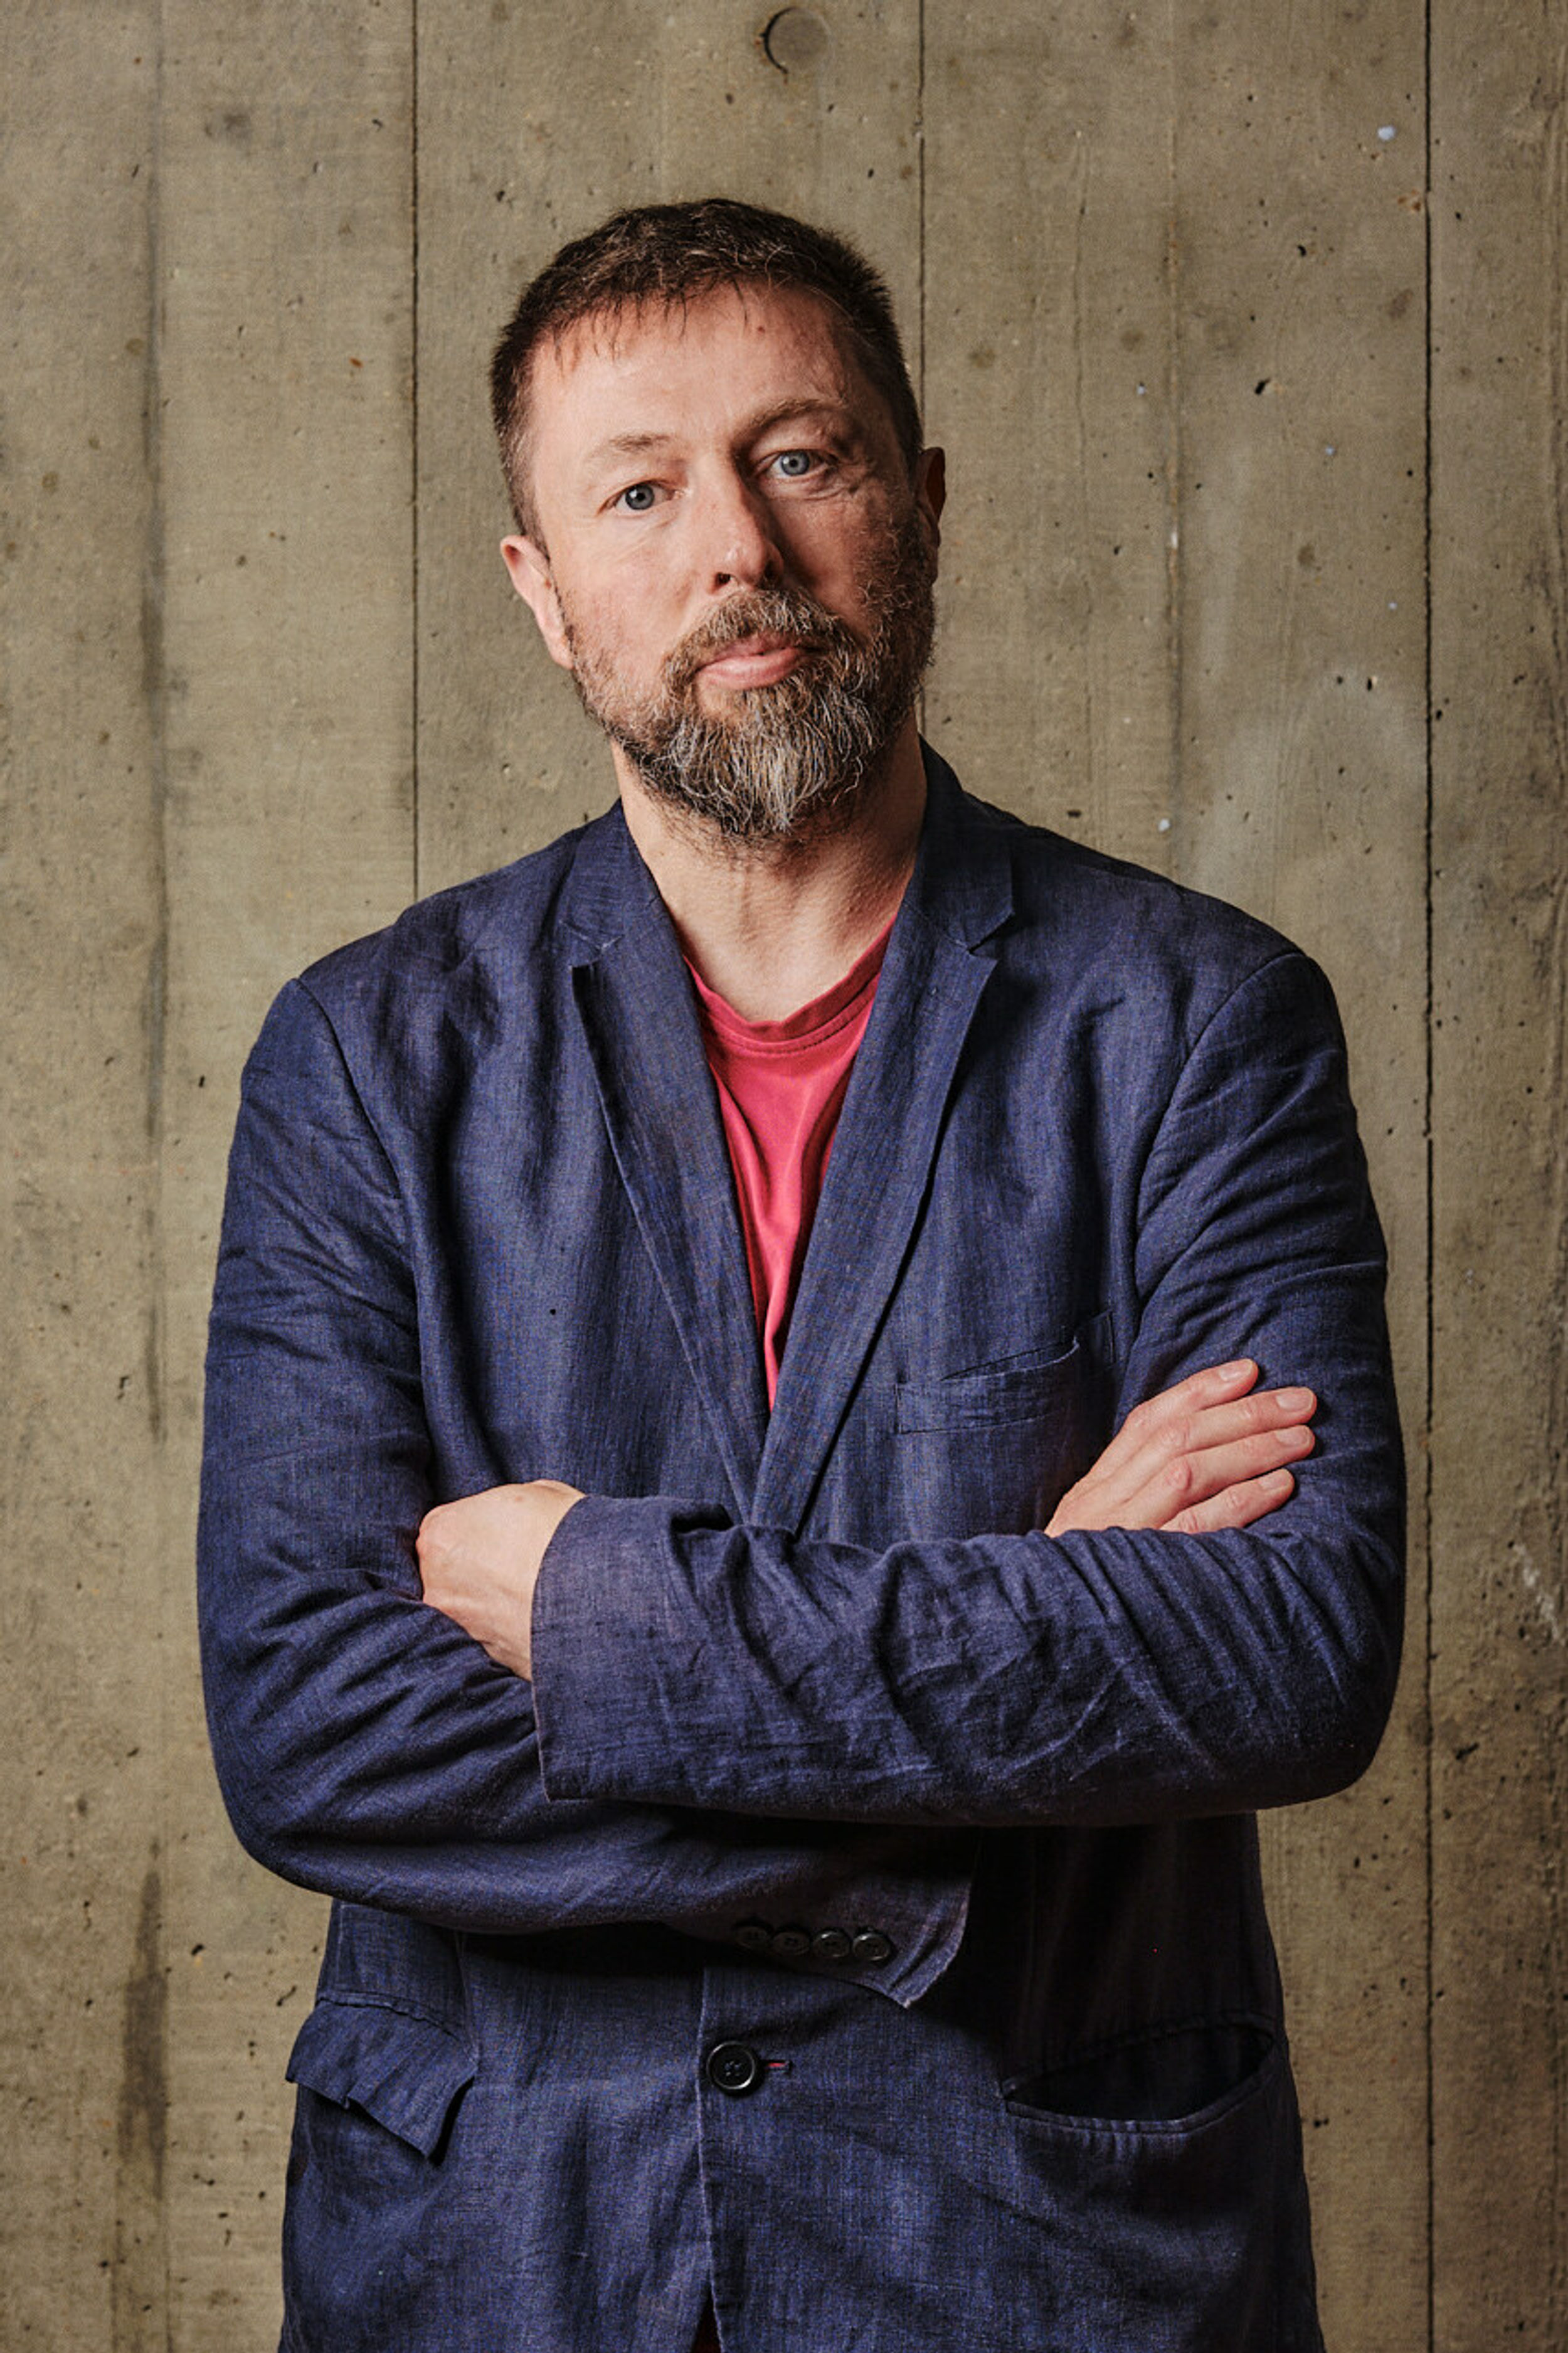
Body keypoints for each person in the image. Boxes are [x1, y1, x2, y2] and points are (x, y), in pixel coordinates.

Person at [198, 198, 1404, 2353]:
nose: (734, 549)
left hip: (1048, 2259)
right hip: (504, 2257)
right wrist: (1011, 1694)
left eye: (801, 457)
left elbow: (1288, 1651)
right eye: (640, 492)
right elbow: (313, 1728)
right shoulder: (366, 1060)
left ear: (917, 505)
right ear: (544, 594)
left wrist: (599, 1614)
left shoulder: (1200, 1020)